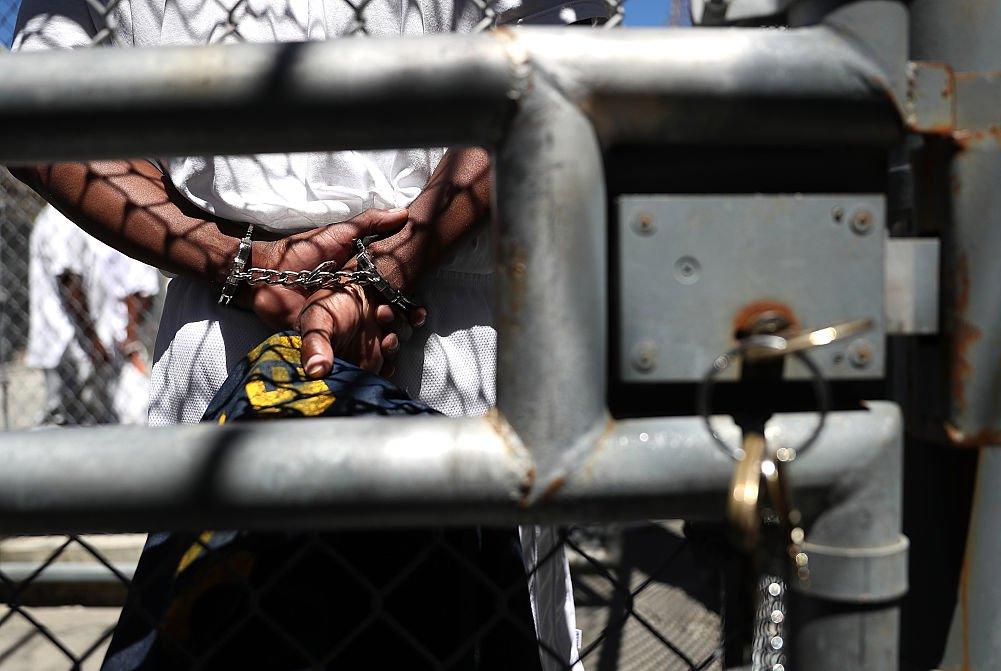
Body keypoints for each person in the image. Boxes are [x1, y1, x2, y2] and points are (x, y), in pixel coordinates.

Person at [11, 1, 609, 669]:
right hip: (430, 324)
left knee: (239, 630)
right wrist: (392, 263)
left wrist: (238, 259)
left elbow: (41, 107)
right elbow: (553, 48)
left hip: (254, 321)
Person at [26, 204, 160, 426]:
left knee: (99, 417)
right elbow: (70, 282)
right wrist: (94, 340)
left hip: (84, 342)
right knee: (69, 420)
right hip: (67, 343)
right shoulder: (60, 218)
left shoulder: (69, 215)